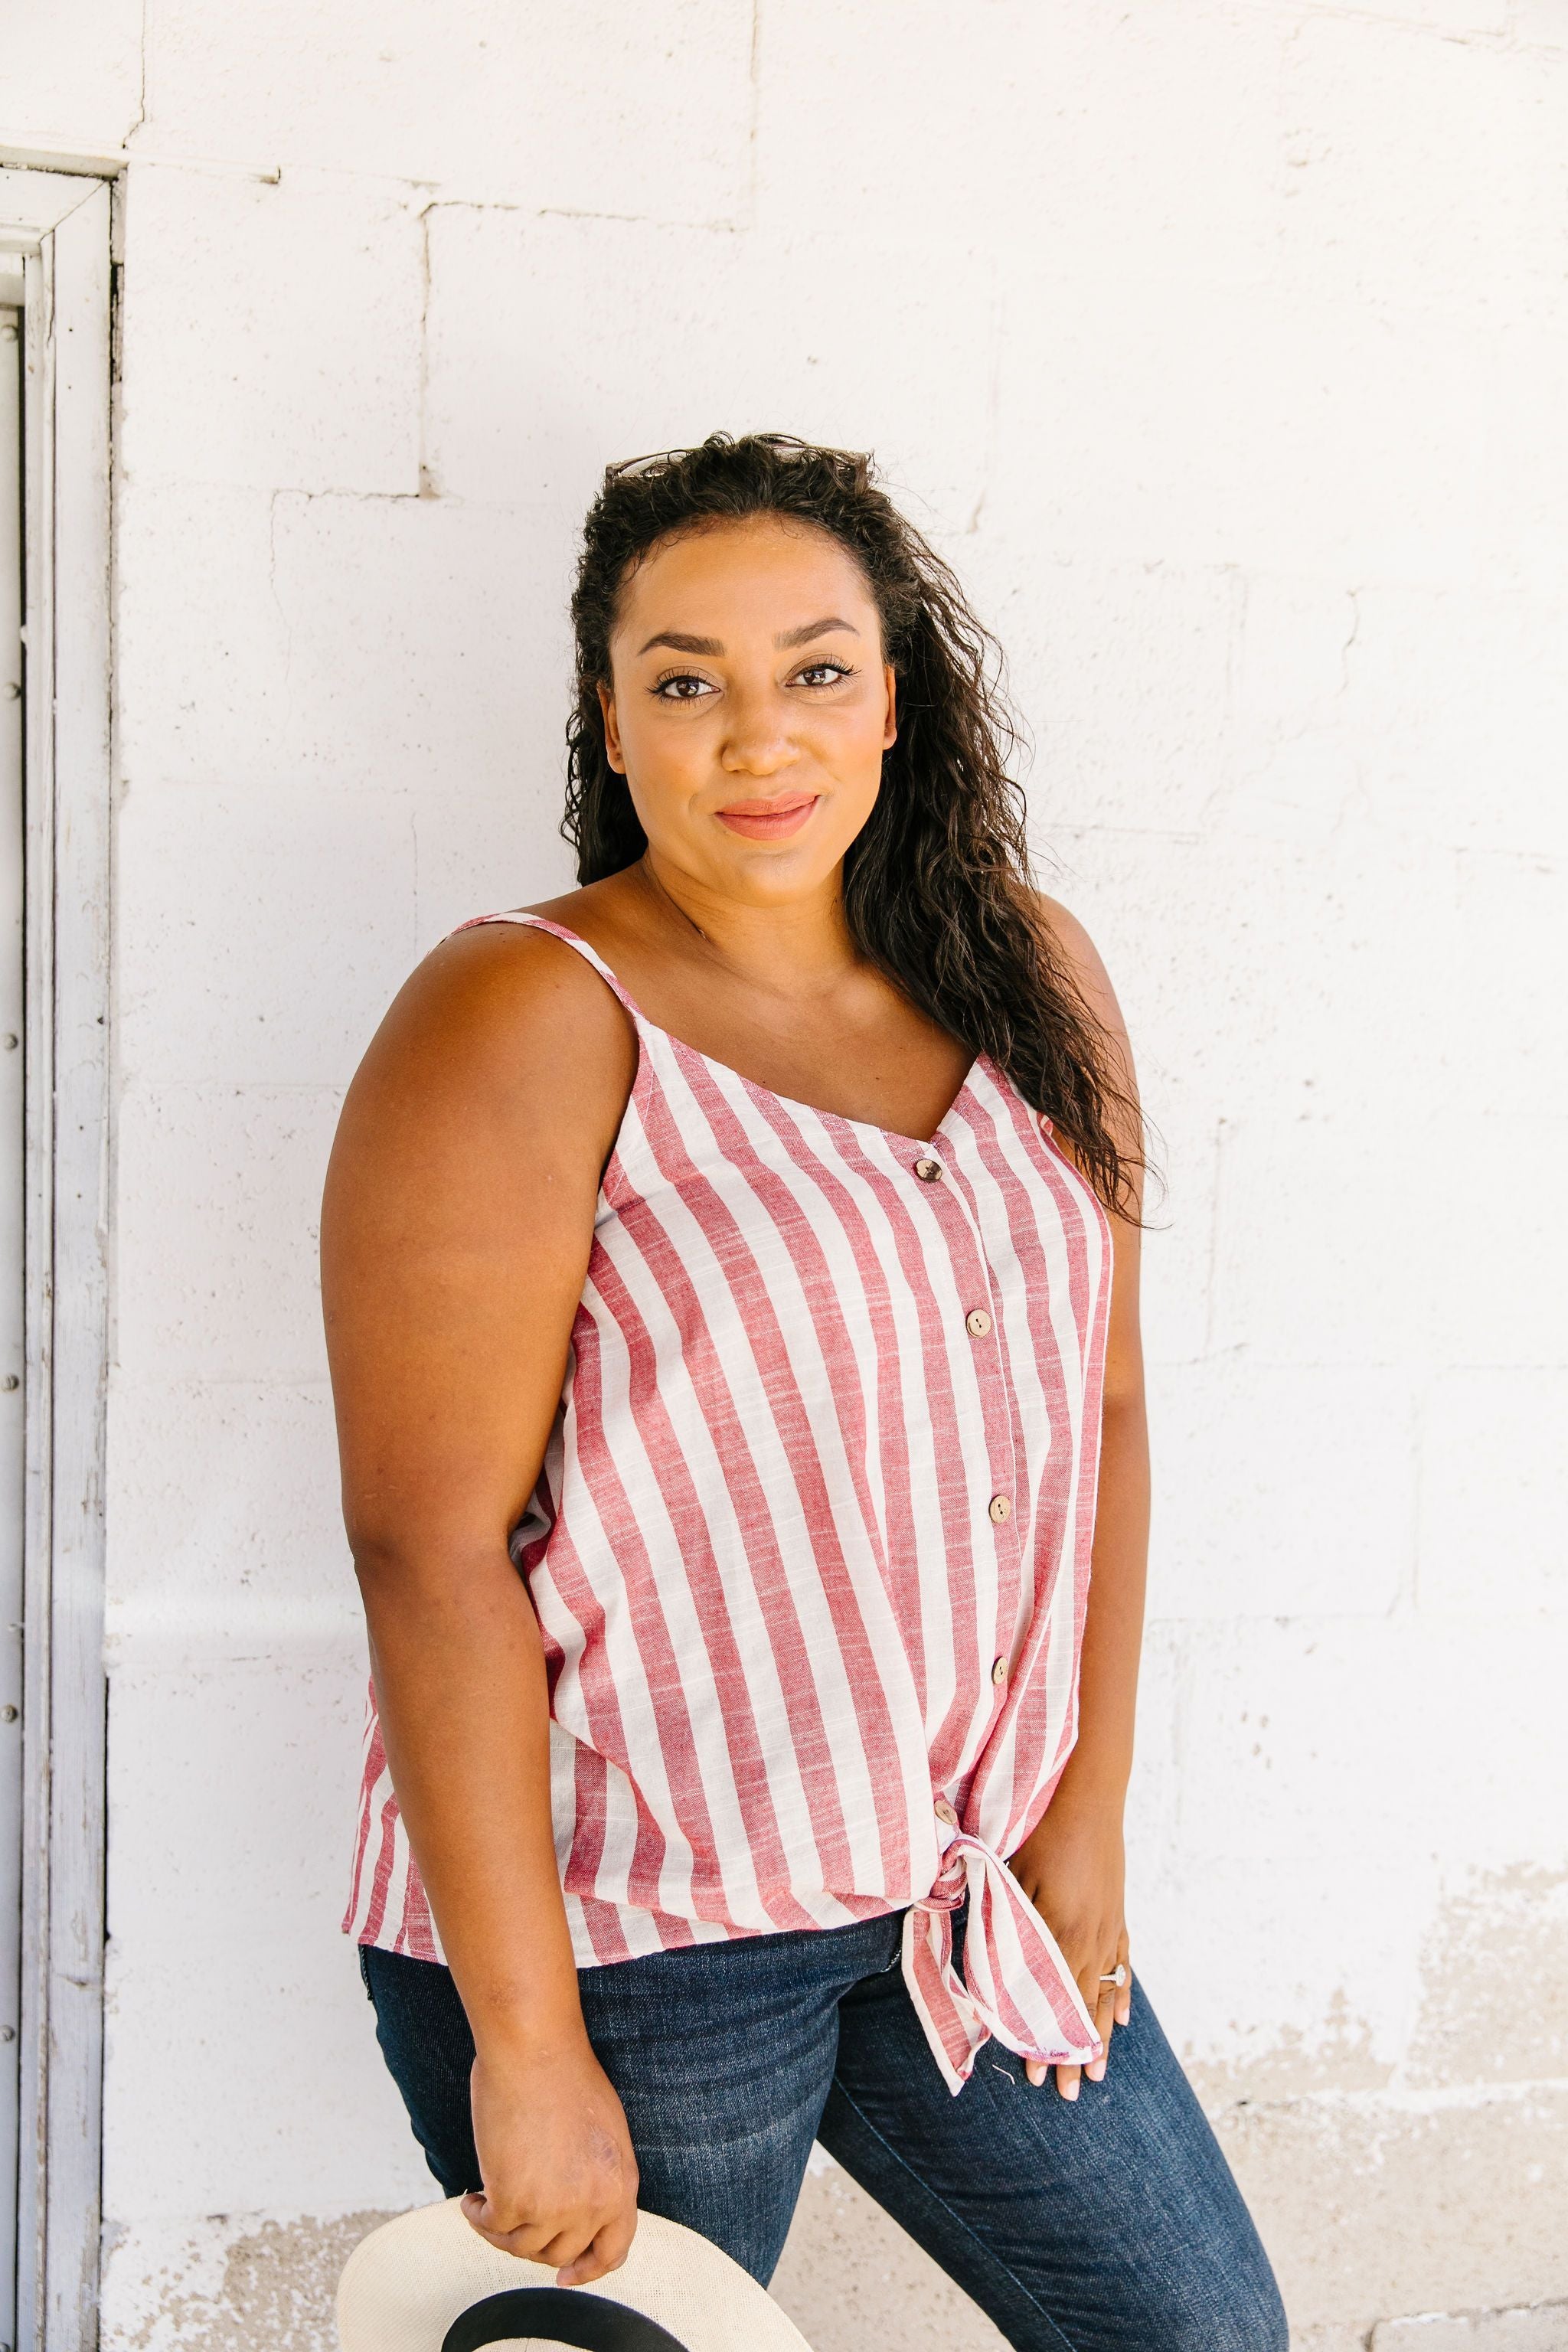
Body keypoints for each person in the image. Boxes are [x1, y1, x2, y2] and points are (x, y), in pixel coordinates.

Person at [322, 433, 1288, 2351]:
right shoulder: (522, 1011)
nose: (757, 736)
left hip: (954, 1881)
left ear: (896, 697)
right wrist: (526, 2047)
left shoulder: (1027, 971)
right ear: (610, 719)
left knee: (1196, 2334)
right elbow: (426, 1549)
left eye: (814, 669)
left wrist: (1080, 1818)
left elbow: (1096, 1420)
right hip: (640, 1930)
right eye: (687, 680)